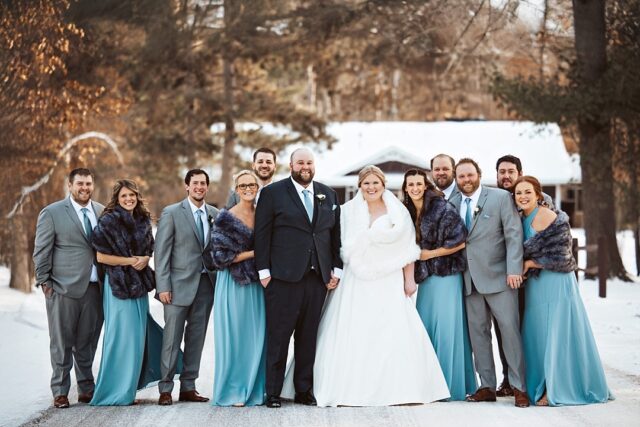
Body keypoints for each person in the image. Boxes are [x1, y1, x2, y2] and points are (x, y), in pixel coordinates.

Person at [309, 165, 450, 407]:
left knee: (390, 329)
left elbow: (408, 248)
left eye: (376, 183)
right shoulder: (346, 212)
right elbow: (334, 245)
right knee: (351, 329)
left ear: (383, 184)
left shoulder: (399, 211)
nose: (371, 187)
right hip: (355, 280)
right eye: (366, 183)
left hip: (388, 278)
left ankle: (398, 388)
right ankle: (345, 387)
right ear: (360, 186)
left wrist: (409, 279)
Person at [254, 147, 342, 408]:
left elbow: (334, 235)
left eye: (309, 162)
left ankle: (304, 390)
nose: (305, 166)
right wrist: (264, 272)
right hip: (282, 278)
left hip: (317, 279)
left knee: (308, 337)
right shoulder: (272, 193)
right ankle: (273, 392)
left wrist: (335, 269)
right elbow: (262, 234)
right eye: (300, 162)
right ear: (291, 165)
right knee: (279, 337)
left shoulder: (329, 193)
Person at [513, 176, 611, 406]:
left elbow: (564, 254)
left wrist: (529, 264)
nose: (523, 197)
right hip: (537, 285)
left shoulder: (546, 215)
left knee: (555, 333)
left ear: (538, 194)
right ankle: (539, 383)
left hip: (556, 281)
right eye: (518, 193)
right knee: (537, 333)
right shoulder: (520, 217)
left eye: (528, 192)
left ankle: (556, 387)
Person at [449, 158, 530, 408]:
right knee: (478, 334)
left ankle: (519, 387)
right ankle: (486, 385)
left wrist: (514, 269)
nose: (466, 180)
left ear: (479, 174)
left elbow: (513, 234)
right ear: (456, 179)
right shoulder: (451, 203)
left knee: (510, 333)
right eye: (461, 176)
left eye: (470, 175)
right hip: (468, 280)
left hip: (500, 278)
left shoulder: (499, 198)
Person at [402, 169, 477, 401]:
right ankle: (429, 384)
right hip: (426, 278)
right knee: (425, 328)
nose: (415, 188)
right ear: (405, 188)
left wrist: (430, 255)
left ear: (425, 186)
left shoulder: (442, 208)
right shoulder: (405, 211)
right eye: (410, 184)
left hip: (445, 274)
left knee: (446, 330)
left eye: (418, 183)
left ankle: (449, 386)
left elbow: (460, 240)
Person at [33, 168, 104, 409]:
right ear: (70, 185)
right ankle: (60, 391)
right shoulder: (52, 213)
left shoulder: (102, 211)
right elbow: (42, 249)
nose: (84, 188)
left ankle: (86, 388)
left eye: (88, 184)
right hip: (62, 288)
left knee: (88, 341)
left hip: (95, 288)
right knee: (61, 342)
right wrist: (45, 281)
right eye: (80, 184)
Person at [90, 179, 165, 406]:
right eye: (124, 196)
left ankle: (128, 389)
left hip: (139, 287)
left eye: (132, 195)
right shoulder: (108, 221)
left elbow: (148, 251)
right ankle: (113, 391)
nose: (128, 199)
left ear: (137, 197)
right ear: (117, 198)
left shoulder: (142, 220)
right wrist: (131, 261)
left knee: (136, 339)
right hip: (118, 288)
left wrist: (145, 259)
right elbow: (101, 257)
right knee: (120, 339)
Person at [155, 169, 219, 406]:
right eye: (195, 183)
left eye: (203, 183)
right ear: (187, 186)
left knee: (196, 338)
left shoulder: (215, 213)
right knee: (171, 339)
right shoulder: (171, 213)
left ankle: (189, 387)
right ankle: (165, 388)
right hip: (176, 287)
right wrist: (162, 285)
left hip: (205, 286)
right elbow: (161, 253)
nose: (199, 187)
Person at [493, 154, 554, 397]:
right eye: (501, 172)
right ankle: (509, 378)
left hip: (535, 279)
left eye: (510, 171)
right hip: (505, 277)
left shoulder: (542, 200)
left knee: (533, 328)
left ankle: (535, 378)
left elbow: (553, 238)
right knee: (504, 328)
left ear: (520, 173)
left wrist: (531, 264)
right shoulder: (495, 200)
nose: (506, 176)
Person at [209, 170, 266, 406]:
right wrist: (257, 252)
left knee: (257, 337)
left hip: (257, 285)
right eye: (243, 186)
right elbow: (221, 257)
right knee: (236, 337)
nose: (248, 189)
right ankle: (234, 390)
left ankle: (255, 388)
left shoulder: (262, 214)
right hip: (234, 284)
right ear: (236, 189)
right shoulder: (226, 218)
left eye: (251, 184)